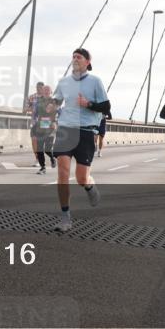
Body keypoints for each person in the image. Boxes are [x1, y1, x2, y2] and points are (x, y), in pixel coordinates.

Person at [51, 49, 109, 232]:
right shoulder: (63, 82)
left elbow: (106, 106)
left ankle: (89, 186)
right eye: (73, 57)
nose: (75, 59)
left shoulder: (95, 82)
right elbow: (56, 101)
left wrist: (89, 104)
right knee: (62, 172)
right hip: (66, 130)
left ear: (87, 61)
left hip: (85, 132)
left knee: (81, 178)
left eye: (79, 57)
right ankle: (65, 218)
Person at [32, 84, 58, 174]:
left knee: (47, 149)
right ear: (42, 92)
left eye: (48, 90)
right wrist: (34, 123)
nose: (46, 92)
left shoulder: (54, 101)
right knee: (39, 148)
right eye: (45, 90)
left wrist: (55, 122)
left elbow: (58, 112)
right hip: (40, 127)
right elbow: (35, 113)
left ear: (51, 92)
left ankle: (52, 158)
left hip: (50, 127)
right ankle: (43, 167)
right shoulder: (38, 101)